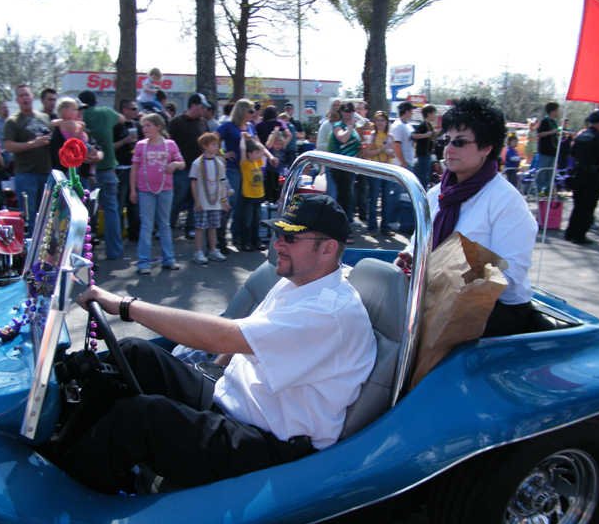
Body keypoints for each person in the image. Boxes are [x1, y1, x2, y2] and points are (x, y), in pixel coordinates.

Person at [56, 193, 376, 495]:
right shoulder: (300, 281)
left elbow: (226, 335)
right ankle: (57, 451)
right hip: (232, 398)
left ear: (327, 249)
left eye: (290, 237)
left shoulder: (329, 313)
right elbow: (245, 339)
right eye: (278, 233)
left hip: (268, 440)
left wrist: (125, 306)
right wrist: (214, 368)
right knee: (131, 353)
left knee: (139, 418)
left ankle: (63, 501)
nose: (277, 244)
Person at [394, 96, 538, 337]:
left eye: (460, 142)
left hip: (497, 309)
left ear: (487, 148)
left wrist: (447, 281)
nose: (448, 149)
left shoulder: (506, 201)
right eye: (446, 140)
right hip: (438, 295)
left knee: (418, 328)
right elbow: (420, 241)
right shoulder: (435, 193)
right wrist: (410, 255)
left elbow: (508, 276)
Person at [130, 113, 184, 274]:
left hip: (165, 190)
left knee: (164, 225)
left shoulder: (170, 144)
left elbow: (182, 163)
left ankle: (169, 259)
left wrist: (174, 164)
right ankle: (143, 262)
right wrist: (133, 190)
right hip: (145, 191)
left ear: (158, 127)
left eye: (148, 125)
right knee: (146, 225)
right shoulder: (140, 145)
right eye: (143, 126)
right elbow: (134, 169)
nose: (144, 128)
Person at [79, 90, 126, 260]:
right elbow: (122, 119)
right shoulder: (106, 113)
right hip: (107, 169)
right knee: (111, 210)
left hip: (86, 172)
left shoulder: (79, 117)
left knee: (85, 213)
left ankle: (87, 255)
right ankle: (114, 251)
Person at [4, 84, 52, 235]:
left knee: (46, 217)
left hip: (46, 173)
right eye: (21, 95)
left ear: (32, 97)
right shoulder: (12, 121)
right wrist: (33, 144)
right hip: (26, 175)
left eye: (27, 95)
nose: (25, 98)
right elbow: (9, 146)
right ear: (17, 100)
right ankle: (30, 254)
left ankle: (45, 254)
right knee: (29, 218)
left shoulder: (44, 117)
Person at [168, 93, 211, 241]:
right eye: (202, 107)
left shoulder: (203, 122)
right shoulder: (176, 122)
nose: (204, 110)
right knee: (177, 199)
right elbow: (169, 145)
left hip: (199, 169)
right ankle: (167, 226)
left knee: (195, 200)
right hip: (182, 169)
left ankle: (191, 227)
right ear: (193, 106)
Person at [565, 109, 599, 245]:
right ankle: (579, 235)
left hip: (578, 174)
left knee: (577, 205)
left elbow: (572, 156)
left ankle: (570, 232)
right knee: (588, 206)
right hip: (592, 176)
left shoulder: (580, 136)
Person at [216, 99, 257, 251]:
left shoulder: (251, 126)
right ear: (242, 111)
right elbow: (212, 139)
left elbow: (258, 145)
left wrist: (269, 156)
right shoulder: (228, 125)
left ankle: (237, 235)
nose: (253, 114)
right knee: (229, 203)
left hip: (248, 170)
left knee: (242, 203)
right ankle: (219, 240)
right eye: (250, 111)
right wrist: (221, 155)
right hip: (233, 169)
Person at [190, 132, 230, 264]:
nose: (216, 147)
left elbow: (223, 182)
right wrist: (196, 201)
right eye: (213, 144)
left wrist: (223, 200)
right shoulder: (197, 163)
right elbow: (194, 183)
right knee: (200, 227)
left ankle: (213, 250)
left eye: (217, 144)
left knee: (213, 226)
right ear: (205, 146)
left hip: (216, 202)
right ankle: (198, 252)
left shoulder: (219, 163)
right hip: (202, 201)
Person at [360, 110, 395, 237]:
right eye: (378, 120)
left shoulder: (390, 136)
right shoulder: (372, 135)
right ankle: (372, 227)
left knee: (387, 199)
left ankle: (386, 227)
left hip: (387, 170)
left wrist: (391, 152)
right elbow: (367, 154)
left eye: (382, 120)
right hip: (375, 169)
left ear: (386, 122)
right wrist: (382, 149)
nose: (380, 123)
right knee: (373, 199)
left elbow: (394, 154)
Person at [331, 101, 362, 243]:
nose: (350, 113)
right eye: (347, 110)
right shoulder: (339, 126)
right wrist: (350, 126)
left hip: (351, 168)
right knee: (344, 200)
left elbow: (357, 145)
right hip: (340, 167)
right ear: (342, 112)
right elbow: (342, 138)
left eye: (352, 110)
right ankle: (342, 232)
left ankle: (342, 230)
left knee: (348, 200)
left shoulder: (354, 128)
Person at [113, 99, 143, 242]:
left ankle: (134, 234)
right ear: (125, 110)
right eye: (133, 108)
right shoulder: (115, 126)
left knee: (135, 203)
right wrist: (124, 141)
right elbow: (109, 147)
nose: (136, 111)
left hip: (135, 169)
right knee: (118, 204)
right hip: (120, 169)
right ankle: (117, 234)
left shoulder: (138, 125)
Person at [239, 139, 267, 252]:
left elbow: (262, 149)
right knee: (247, 222)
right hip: (248, 197)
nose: (259, 154)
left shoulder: (258, 162)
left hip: (258, 196)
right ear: (249, 154)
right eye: (256, 153)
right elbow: (242, 149)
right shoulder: (245, 164)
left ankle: (256, 241)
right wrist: (243, 137)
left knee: (257, 221)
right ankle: (246, 242)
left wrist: (252, 139)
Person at [535, 102, 560, 195]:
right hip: (545, 152)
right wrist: (551, 132)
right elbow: (539, 134)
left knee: (551, 172)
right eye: (557, 110)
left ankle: (548, 190)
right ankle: (538, 189)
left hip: (553, 152)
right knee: (543, 171)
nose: (558, 112)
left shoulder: (554, 122)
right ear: (552, 111)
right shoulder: (545, 121)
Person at [412, 104, 437, 190]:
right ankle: (421, 191)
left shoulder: (429, 125)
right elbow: (414, 135)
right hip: (422, 155)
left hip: (428, 155)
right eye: (434, 113)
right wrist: (425, 135)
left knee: (427, 175)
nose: (435, 116)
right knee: (423, 176)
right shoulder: (423, 125)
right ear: (429, 114)